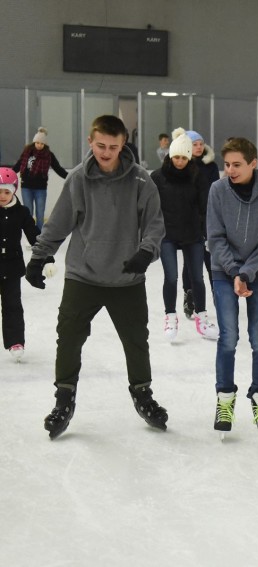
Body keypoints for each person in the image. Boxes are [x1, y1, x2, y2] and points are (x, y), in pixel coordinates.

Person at [26, 115, 167, 439]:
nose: (106, 152)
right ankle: (64, 400)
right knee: (69, 339)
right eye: (101, 145)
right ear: (91, 142)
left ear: (123, 146)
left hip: (127, 277)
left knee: (136, 342)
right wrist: (39, 256)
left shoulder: (141, 181)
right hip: (83, 276)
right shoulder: (78, 179)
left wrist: (146, 252)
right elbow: (60, 222)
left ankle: (143, 395)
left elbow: (155, 225)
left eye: (113, 146)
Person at [207, 137, 258, 436]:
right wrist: (235, 271)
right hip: (223, 271)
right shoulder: (217, 190)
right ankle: (225, 399)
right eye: (226, 165)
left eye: (237, 164)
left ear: (254, 162)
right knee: (228, 336)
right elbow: (215, 236)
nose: (230, 170)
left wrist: (248, 272)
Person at [150, 128, 217, 342]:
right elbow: (151, 208)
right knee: (171, 277)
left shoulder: (197, 176)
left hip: (193, 234)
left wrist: (206, 232)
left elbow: (205, 206)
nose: (179, 162)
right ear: (170, 155)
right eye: (176, 157)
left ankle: (202, 317)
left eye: (184, 157)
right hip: (167, 234)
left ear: (189, 157)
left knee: (197, 277)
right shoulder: (158, 177)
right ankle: (170, 316)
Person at [0, 167, 43, 361]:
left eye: (6, 191)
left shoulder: (22, 212)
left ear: (14, 191)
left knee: (12, 305)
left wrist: (46, 258)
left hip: (11, 266)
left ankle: (15, 341)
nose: (2, 195)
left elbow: (34, 234)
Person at [181, 129, 219, 318]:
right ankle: (190, 294)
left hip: (208, 218)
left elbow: (216, 190)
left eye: (200, 143)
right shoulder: (182, 164)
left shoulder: (210, 166)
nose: (198, 147)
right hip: (188, 219)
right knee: (191, 260)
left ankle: (218, 295)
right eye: (194, 144)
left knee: (211, 258)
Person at [12, 127, 68, 231]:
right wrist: (7, 174)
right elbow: (18, 165)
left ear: (45, 145)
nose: (39, 145)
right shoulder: (27, 153)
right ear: (34, 142)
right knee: (28, 213)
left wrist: (69, 177)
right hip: (26, 187)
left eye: (42, 144)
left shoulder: (48, 155)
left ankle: (39, 237)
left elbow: (58, 168)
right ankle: (31, 236)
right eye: (37, 143)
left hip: (40, 189)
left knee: (40, 214)